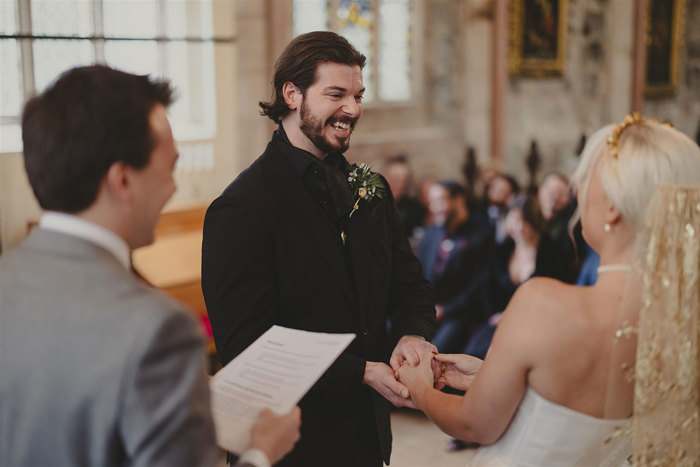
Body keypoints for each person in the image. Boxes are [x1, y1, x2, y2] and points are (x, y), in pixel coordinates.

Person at [0, 65, 300, 467]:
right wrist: (262, 451)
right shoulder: (156, 328)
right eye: (169, 168)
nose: (173, 187)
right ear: (122, 182)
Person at [397, 113, 700, 465]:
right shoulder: (683, 321)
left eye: (585, 181)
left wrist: (418, 386)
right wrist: (488, 375)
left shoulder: (542, 302)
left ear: (613, 207)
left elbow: (473, 424)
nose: (578, 193)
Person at [201, 31, 436, 467]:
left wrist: (412, 333)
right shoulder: (242, 208)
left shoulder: (373, 190)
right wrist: (360, 372)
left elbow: (411, 283)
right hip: (287, 447)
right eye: (336, 94)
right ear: (292, 94)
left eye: (358, 96)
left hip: (366, 441)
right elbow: (247, 349)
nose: (353, 109)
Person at [416, 181, 493, 354]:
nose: (434, 208)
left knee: (436, 353)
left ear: (458, 200)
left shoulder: (480, 236)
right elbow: (418, 271)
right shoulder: (431, 232)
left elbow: (478, 285)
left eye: (440, 201)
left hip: (460, 313)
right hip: (427, 308)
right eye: (432, 202)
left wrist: (446, 309)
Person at [382, 154, 427, 240]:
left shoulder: (414, 208)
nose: (399, 185)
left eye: (403, 180)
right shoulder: (373, 204)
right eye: (394, 179)